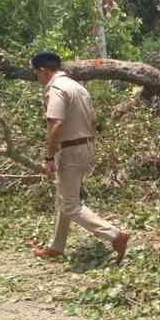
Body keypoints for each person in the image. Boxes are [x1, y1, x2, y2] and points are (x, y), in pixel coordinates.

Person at [30, 52, 130, 265]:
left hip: (70, 150)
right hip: (84, 146)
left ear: (43, 71)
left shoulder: (57, 89)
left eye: (36, 74)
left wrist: (49, 156)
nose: (37, 79)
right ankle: (56, 247)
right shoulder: (78, 87)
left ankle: (115, 235)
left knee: (71, 205)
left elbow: (55, 124)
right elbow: (92, 121)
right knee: (63, 198)